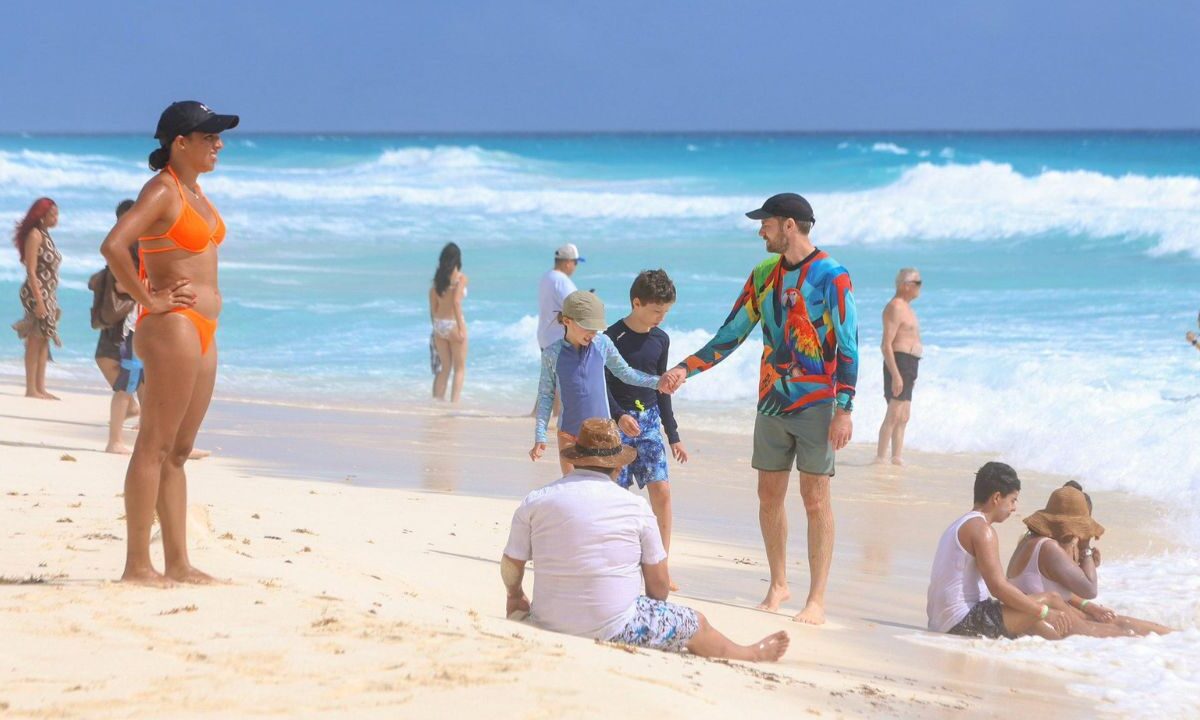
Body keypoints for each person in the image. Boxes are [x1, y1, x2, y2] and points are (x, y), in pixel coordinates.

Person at [660, 193, 858, 624]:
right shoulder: (763, 275)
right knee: (768, 495)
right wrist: (685, 369)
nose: (760, 231)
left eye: (765, 223)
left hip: (817, 404)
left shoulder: (833, 276)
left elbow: (848, 345)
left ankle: (816, 599)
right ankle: (778, 584)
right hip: (771, 401)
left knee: (815, 499)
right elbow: (731, 333)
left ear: (789, 225)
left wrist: (844, 408)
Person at [502, 418, 790, 661]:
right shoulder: (635, 507)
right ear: (617, 467)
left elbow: (511, 564)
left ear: (576, 460)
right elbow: (659, 587)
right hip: (613, 626)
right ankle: (750, 653)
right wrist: (648, 605)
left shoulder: (537, 500)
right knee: (697, 623)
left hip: (547, 619)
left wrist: (515, 595)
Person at [100, 100, 239, 585]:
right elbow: (114, 245)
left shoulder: (196, 192)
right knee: (154, 445)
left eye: (219, 137)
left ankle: (178, 562)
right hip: (173, 326)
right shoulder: (163, 189)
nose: (219, 144)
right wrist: (148, 299)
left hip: (204, 327)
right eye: (209, 137)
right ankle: (138, 564)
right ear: (180, 143)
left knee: (178, 451)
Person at [926, 461, 1121, 640]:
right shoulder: (983, 531)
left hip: (942, 621)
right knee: (1048, 603)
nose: (1014, 508)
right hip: (962, 622)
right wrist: (1044, 612)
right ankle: (1094, 637)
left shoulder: (960, 524)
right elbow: (998, 588)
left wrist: (1038, 611)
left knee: (1039, 619)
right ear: (996, 498)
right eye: (1013, 500)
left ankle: (1080, 639)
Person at [530, 290, 675, 477]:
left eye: (596, 328)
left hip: (605, 434)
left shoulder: (602, 344)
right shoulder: (552, 354)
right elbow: (546, 395)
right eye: (587, 327)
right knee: (573, 488)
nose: (592, 333)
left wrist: (657, 382)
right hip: (569, 435)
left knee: (602, 488)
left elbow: (625, 373)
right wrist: (540, 435)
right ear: (567, 321)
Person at [604, 269, 688, 590]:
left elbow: (662, 388)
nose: (660, 318)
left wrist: (673, 435)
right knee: (617, 495)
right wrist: (618, 415)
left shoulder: (660, 339)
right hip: (618, 424)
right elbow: (603, 384)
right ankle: (618, 562)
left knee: (662, 491)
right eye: (656, 311)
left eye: (665, 312)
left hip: (650, 421)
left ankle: (660, 565)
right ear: (636, 303)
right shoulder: (612, 338)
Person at [1006, 483, 1172, 637]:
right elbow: (1090, 590)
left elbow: (1053, 588)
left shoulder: (1030, 540)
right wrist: (1085, 547)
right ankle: (1179, 641)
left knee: (1121, 623)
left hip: (1042, 617)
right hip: (1045, 621)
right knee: (1125, 631)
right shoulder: (1049, 548)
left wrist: (1087, 606)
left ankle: (1180, 637)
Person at [91, 199, 141, 453]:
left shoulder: (136, 244)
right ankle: (116, 440)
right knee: (127, 379)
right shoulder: (126, 245)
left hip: (137, 320)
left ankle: (133, 429)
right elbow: (122, 284)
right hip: (130, 321)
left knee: (138, 379)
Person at [11, 197, 62, 400]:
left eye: (57, 214)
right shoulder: (35, 235)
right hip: (35, 292)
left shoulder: (46, 235)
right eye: (52, 214)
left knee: (44, 339)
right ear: (41, 216)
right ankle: (31, 389)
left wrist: (49, 298)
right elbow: (31, 270)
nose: (56, 218)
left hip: (48, 292)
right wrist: (40, 301)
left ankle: (41, 387)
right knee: (34, 339)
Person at [875, 268, 923, 466]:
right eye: (918, 283)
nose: (920, 287)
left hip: (910, 363)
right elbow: (886, 344)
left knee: (904, 416)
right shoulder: (895, 307)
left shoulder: (908, 308)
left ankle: (896, 457)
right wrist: (895, 374)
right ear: (906, 285)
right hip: (899, 362)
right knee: (893, 414)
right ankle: (880, 458)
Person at [532, 243, 584, 417]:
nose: (575, 267)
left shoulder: (547, 277)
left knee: (549, 382)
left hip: (545, 335)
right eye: (575, 263)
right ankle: (557, 421)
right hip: (557, 337)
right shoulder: (562, 281)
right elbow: (575, 307)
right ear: (568, 262)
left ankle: (537, 416)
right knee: (561, 383)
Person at [429, 242, 468, 402]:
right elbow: (456, 302)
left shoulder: (437, 282)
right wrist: (461, 328)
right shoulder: (460, 279)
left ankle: (437, 404)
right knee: (459, 369)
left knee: (444, 369)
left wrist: (435, 328)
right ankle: (454, 405)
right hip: (453, 324)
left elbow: (433, 308)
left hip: (439, 325)